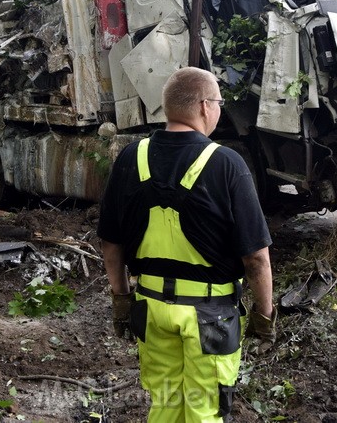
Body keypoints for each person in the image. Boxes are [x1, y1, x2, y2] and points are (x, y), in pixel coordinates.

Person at [98, 66, 275, 423]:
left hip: (150, 308)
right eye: (220, 102)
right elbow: (256, 258)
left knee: (164, 405)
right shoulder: (226, 164)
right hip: (209, 318)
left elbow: (110, 243)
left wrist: (121, 300)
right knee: (204, 411)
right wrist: (264, 314)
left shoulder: (132, 158)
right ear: (205, 106)